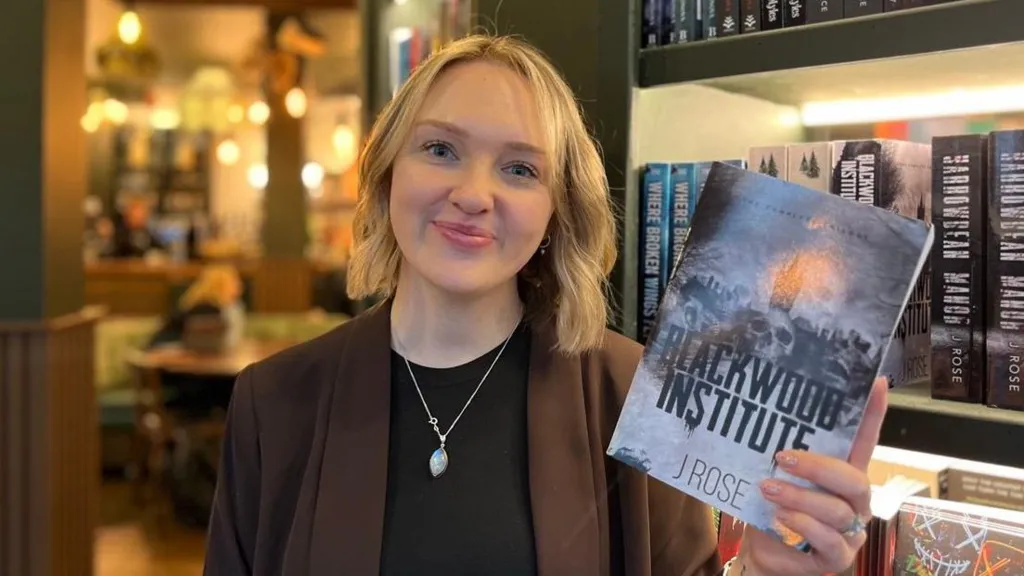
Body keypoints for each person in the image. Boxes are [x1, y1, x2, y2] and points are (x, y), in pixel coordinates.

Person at [203, 34, 885, 576]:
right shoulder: (274, 403)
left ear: (556, 212)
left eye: (519, 168)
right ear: (385, 178)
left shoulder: (635, 400)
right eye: (440, 149)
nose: (474, 194)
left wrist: (776, 575)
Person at [149, 264, 246, 350]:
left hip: (178, 353)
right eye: (234, 282)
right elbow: (206, 346)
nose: (240, 286)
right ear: (220, 285)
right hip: (165, 352)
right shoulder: (205, 309)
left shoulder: (225, 307)